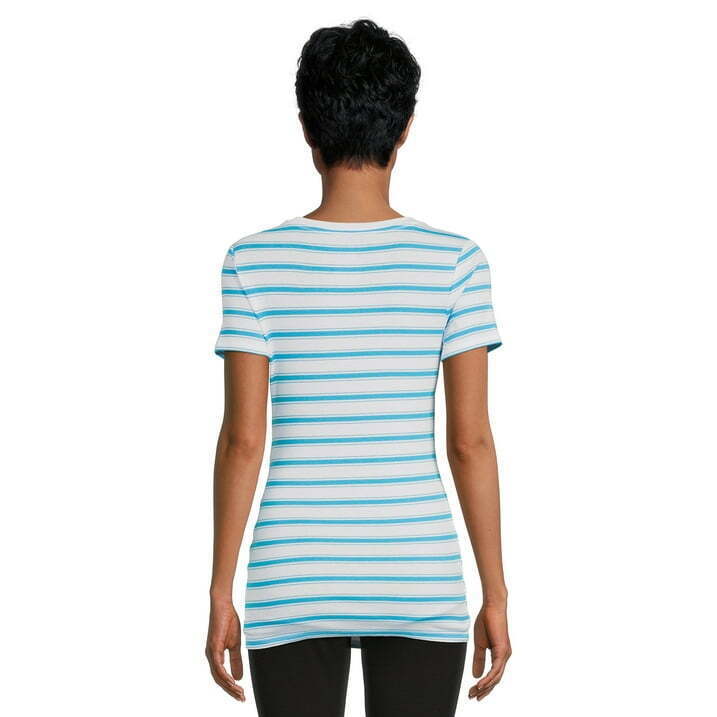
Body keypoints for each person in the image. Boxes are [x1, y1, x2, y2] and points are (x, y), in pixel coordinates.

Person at [205, 19, 511, 717]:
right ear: (403, 129)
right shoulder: (457, 263)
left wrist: (221, 590)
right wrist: (494, 593)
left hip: (292, 576)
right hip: (418, 574)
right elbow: (470, 442)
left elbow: (243, 440)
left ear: (306, 128)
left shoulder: (252, 262)